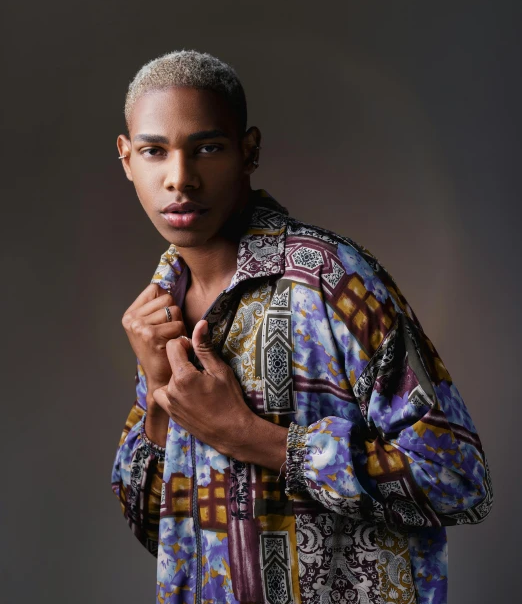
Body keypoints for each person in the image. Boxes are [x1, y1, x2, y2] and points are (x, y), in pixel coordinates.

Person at [111, 50, 492, 604]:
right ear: (127, 159)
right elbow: (162, 534)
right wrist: (160, 402)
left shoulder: (330, 281)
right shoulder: (158, 312)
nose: (180, 179)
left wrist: (257, 439)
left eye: (208, 148)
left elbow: (459, 481)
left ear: (249, 151)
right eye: (154, 151)